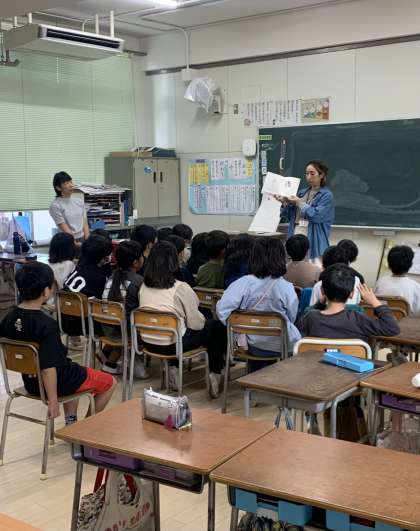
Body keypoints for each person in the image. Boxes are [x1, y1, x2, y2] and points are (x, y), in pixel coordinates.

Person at [0, 262, 116, 423]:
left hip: (31, 383)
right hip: (55, 383)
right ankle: (84, 428)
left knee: (75, 370)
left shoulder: (9, 317)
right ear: (46, 291)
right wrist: (53, 401)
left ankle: (71, 423)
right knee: (110, 382)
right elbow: (48, 369)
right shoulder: (47, 324)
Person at [138, 241, 227, 398]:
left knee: (176, 328)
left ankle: (174, 368)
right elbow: (196, 324)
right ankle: (215, 372)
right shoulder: (181, 287)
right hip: (173, 345)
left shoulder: (143, 286)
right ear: (174, 260)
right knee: (214, 327)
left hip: (148, 343)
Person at [217, 237, 301, 368]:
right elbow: (292, 316)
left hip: (249, 345)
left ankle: (253, 376)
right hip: (281, 345)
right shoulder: (286, 287)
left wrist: (239, 328)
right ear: (281, 258)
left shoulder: (243, 283)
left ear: (253, 257)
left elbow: (222, 310)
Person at [302, 263, 400, 342]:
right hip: (350, 361)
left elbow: (306, 316)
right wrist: (374, 301)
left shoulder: (311, 318)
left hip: (317, 361)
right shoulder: (358, 319)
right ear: (352, 294)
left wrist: (320, 303)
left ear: (322, 291)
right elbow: (392, 328)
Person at [101, 240, 148, 377]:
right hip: (124, 331)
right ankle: (110, 365)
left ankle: (105, 353)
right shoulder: (138, 281)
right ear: (135, 262)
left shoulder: (112, 276)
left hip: (107, 326)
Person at [276, 160, 334, 263]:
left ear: (321, 175)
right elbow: (290, 215)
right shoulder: (302, 193)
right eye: (307, 174)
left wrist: (299, 202)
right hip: (297, 231)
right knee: (295, 263)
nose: (309, 177)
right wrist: (284, 203)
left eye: (312, 173)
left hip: (313, 235)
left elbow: (317, 216)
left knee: (313, 266)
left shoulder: (326, 195)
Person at [62, 235, 113, 337]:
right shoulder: (99, 277)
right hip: (83, 324)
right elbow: (101, 303)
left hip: (63, 319)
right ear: (103, 257)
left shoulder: (77, 268)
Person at [375, 245, 420, 316]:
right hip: (404, 322)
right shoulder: (416, 287)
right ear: (410, 265)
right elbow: (417, 313)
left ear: (389, 265)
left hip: (381, 320)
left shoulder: (380, 282)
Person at [49, 171, 89, 247]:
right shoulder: (55, 205)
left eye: (71, 182)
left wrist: (87, 240)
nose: (71, 185)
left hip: (83, 238)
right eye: (66, 183)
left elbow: (84, 221)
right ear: (58, 188)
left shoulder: (79, 201)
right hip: (67, 240)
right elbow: (63, 226)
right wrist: (74, 243)